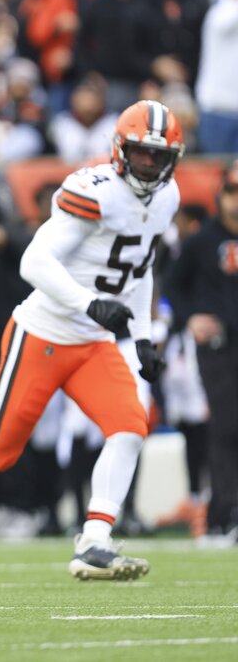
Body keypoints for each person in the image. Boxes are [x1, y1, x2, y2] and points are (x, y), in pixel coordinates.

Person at [0, 100, 185, 580]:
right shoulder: (94, 191)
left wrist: (142, 335)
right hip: (43, 333)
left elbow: (141, 268)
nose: (148, 165)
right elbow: (34, 264)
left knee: (130, 426)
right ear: (119, 151)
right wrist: (88, 304)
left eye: (157, 156)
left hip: (93, 342)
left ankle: (95, 541)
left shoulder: (167, 199)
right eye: (140, 154)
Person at [163, 159, 238, 543]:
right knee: (225, 426)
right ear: (220, 194)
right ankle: (225, 514)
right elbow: (173, 288)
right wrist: (191, 317)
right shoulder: (200, 242)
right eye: (232, 190)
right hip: (219, 347)